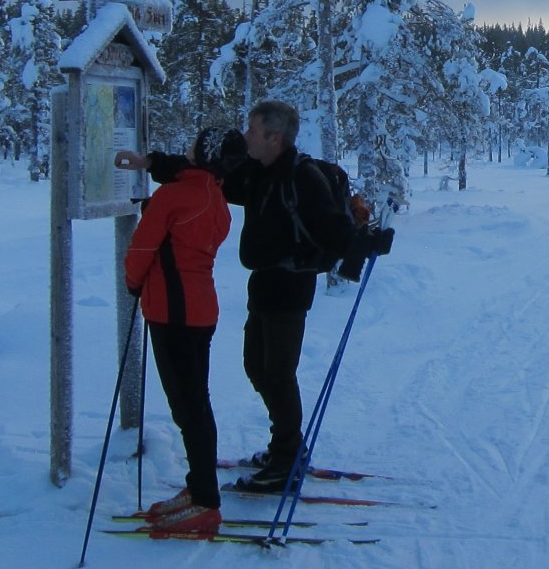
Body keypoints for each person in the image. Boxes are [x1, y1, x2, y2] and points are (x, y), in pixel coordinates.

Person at [127, 101, 374, 495]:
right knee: (257, 368)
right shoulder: (257, 172)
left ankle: (287, 457)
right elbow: (203, 172)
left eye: (252, 130)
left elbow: (334, 229)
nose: (245, 137)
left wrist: (365, 241)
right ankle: (285, 447)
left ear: (274, 138)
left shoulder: (302, 177)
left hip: (291, 288)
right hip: (262, 285)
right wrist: (151, 162)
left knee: (276, 373)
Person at [119, 126, 232, 537]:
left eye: (194, 144)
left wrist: (133, 283)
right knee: (194, 406)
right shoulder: (214, 195)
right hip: (198, 310)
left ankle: (205, 502)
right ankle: (199, 489)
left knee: (189, 409)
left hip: (173, 312)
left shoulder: (175, 196)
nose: (187, 147)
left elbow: (141, 251)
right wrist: (150, 162)